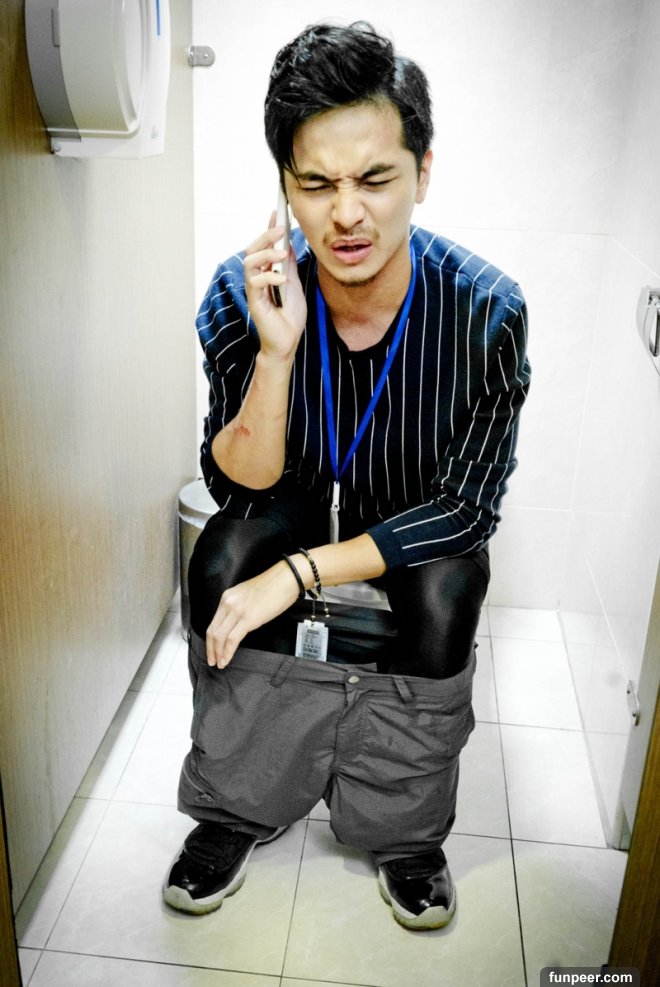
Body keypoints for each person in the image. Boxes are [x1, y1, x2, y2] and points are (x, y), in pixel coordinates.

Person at [163, 20, 530, 930]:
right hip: (291, 493)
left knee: (449, 589)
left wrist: (300, 574)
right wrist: (277, 351)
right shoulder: (241, 292)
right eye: (316, 184)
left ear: (423, 172)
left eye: (375, 179)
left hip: (412, 517)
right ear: (285, 184)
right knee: (221, 560)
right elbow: (239, 482)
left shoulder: (486, 313)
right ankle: (238, 802)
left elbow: (466, 510)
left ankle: (403, 827)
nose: (347, 214)